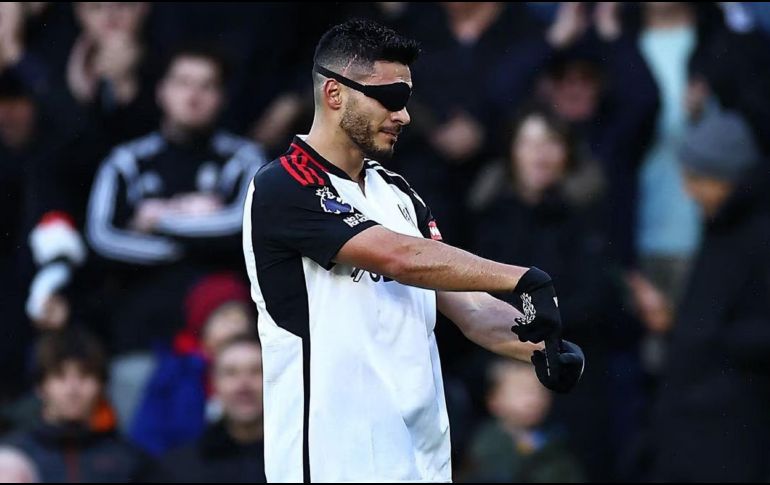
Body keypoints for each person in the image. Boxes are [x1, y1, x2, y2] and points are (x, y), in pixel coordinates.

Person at [242, 19, 584, 482]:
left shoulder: (398, 194)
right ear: (334, 93)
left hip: (419, 459)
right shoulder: (284, 184)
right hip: (333, 460)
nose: (403, 115)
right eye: (390, 98)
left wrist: (542, 347)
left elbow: (468, 307)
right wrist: (519, 277)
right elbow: (399, 258)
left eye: (406, 99)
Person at [85, 44, 265, 428]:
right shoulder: (127, 161)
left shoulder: (245, 159)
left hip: (227, 354)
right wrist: (197, 228)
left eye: (206, 85)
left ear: (221, 97)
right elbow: (101, 239)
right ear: (162, 91)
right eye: (183, 83)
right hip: (141, 343)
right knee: (143, 454)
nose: (193, 95)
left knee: (227, 449)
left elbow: (243, 226)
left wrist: (159, 219)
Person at [645, 110, 770, 481]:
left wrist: (711, 337)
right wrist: (678, 325)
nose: (688, 191)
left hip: (736, 424)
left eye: (696, 179)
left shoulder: (757, 235)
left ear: (728, 178)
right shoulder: (720, 225)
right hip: (693, 415)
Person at [2, 328, 147, 483]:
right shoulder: (12, 455)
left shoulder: (129, 461)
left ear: (101, 385)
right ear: (40, 387)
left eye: (84, 376)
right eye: (60, 376)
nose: (72, 390)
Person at [147, 335, 266, 483]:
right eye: (231, 373)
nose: (243, 385)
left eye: (256, 371)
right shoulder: (179, 467)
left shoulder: (292, 459)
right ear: (214, 384)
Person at [458, 359, 584, 483]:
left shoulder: (555, 440)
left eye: (541, 390)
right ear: (494, 400)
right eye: (522, 390)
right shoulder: (484, 443)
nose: (534, 399)